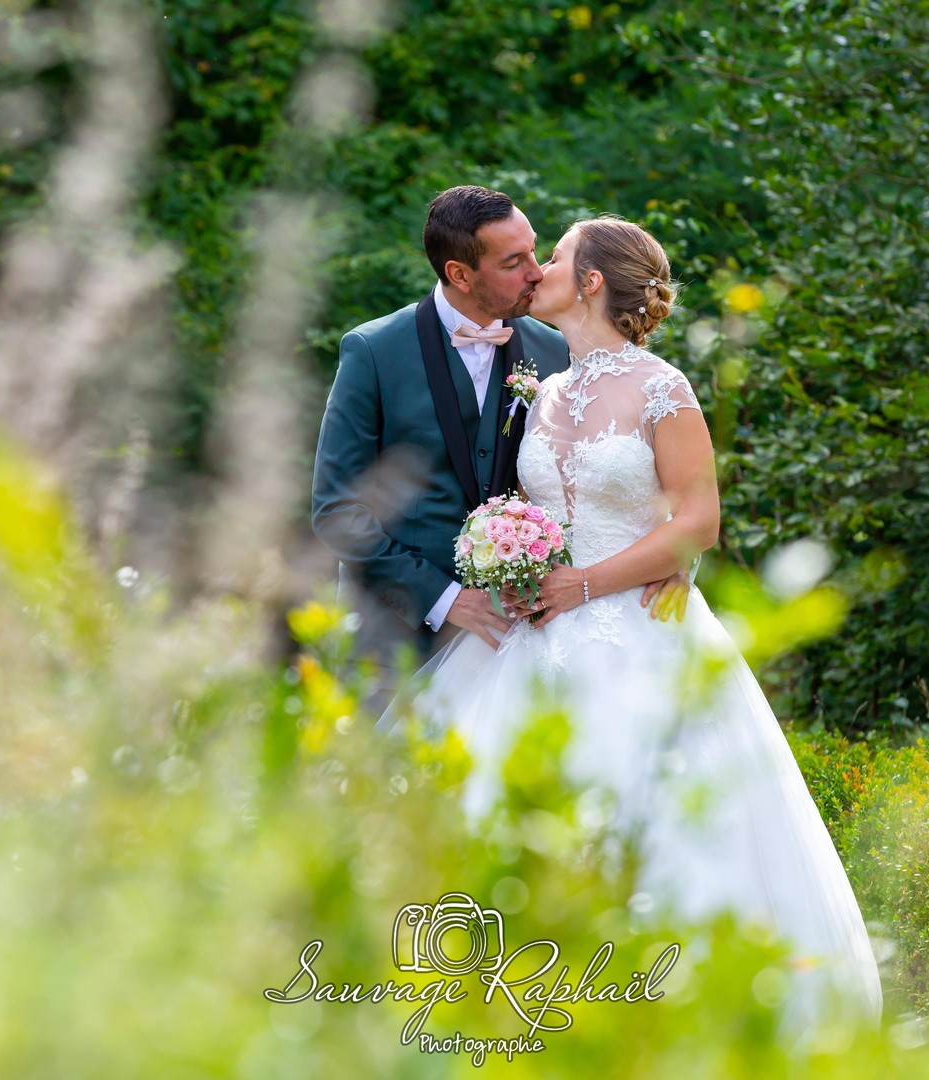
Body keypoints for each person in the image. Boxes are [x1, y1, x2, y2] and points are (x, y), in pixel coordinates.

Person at [381, 216, 883, 1040]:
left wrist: (586, 582)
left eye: (558, 256)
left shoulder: (663, 387)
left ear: (589, 285)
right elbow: (535, 506)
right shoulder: (540, 391)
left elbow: (698, 521)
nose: (537, 267)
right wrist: (507, 555)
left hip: (637, 634)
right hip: (532, 640)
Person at [311, 187, 685, 698]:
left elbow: (620, 471)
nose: (535, 271)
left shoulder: (557, 351)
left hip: (518, 638)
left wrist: (668, 560)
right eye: (514, 261)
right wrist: (445, 599)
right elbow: (337, 511)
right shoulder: (373, 351)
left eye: (536, 251)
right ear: (460, 274)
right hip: (392, 636)